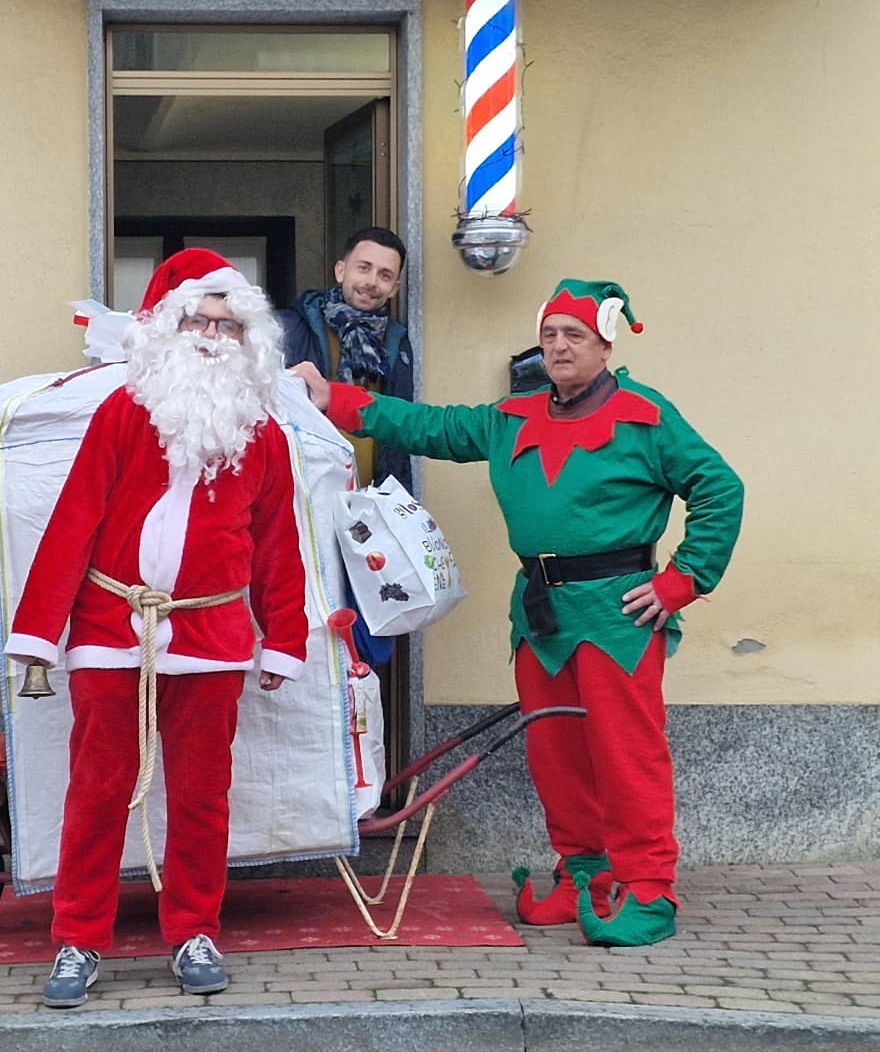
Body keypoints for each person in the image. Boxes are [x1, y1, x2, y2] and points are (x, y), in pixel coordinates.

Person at [294, 278, 744, 947]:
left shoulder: (645, 415)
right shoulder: (515, 416)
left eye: (575, 335)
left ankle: (650, 889)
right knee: (555, 756)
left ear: (605, 345)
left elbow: (720, 488)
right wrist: (336, 399)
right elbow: (434, 427)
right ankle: (584, 876)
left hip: (616, 613)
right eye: (550, 334)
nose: (559, 346)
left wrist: (681, 582)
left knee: (627, 756)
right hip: (539, 612)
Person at [6, 248, 309, 1007]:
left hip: (211, 639)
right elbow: (73, 520)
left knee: (204, 798)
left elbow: (279, 543)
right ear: (170, 329)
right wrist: (40, 632)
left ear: (248, 341)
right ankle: (78, 938)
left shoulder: (265, 435)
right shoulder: (121, 412)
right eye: (198, 321)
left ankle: (195, 930)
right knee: (97, 792)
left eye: (226, 326)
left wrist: (285, 638)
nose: (211, 336)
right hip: (112, 629)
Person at [281, 226, 413, 490]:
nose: (372, 281)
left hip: (373, 497)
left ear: (394, 288)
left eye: (385, 275)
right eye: (363, 268)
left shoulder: (399, 344)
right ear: (341, 271)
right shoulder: (290, 329)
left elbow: (400, 434)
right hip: (306, 494)